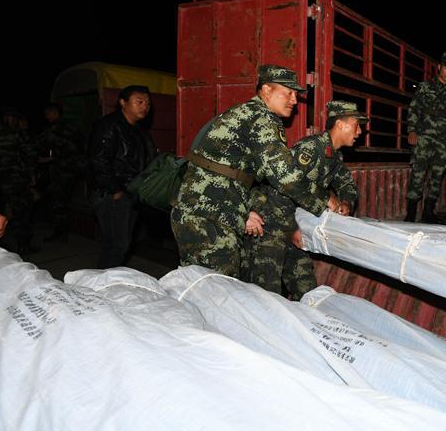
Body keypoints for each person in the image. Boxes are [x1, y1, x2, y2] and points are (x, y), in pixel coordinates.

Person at [171, 65, 340, 278]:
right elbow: (284, 175)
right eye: (288, 93)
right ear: (267, 90)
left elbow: (228, 173)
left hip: (202, 210)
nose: (294, 100)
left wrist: (243, 210)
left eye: (296, 94)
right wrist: (325, 199)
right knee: (217, 292)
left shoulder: (244, 113)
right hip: (209, 217)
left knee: (199, 286)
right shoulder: (262, 118)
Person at [243, 101, 366, 299]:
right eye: (356, 125)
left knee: (307, 288)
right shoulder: (310, 148)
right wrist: (294, 226)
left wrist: (346, 203)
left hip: (294, 226)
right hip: (270, 224)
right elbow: (285, 186)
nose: (360, 132)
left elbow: (347, 185)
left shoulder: (334, 156)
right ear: (340, 125)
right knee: (266, 294)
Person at [88, 85, 157, 268]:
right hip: (113, 195)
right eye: (139, 102)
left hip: (130, 193)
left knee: (120, 245)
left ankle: (106, 282)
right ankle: (103, 285)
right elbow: (98, 161)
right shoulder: (109, 126)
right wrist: (116, 190)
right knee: (116, 246)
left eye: (147, 103)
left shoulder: (139, 130)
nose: (145, 107)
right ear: (123, 103)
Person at [404, 50, 446, 223]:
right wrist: (412, 130)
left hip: (443, 141)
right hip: (423, 137)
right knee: (418, 174)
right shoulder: (425, 87)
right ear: (439, 67)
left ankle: (428, 212)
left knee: (437, 175)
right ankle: (411, 213)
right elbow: (414, 109)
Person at [0, 107, 38, 254]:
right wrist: (31, 176)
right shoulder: (18, 133)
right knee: (22, 211)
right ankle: (23, 245)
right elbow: (30, 155)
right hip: (14, 179)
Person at [36, 102, 83, 242]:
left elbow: (41, 143)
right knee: (62, 201)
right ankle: (61, 232)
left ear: (54, 113)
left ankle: (60, 234)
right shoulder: (72, 126)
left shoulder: (56, 127)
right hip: (71, 169)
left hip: (62, 170)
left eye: (47, 114)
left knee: (59, 203)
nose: (47, 117)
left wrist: (49, 159)